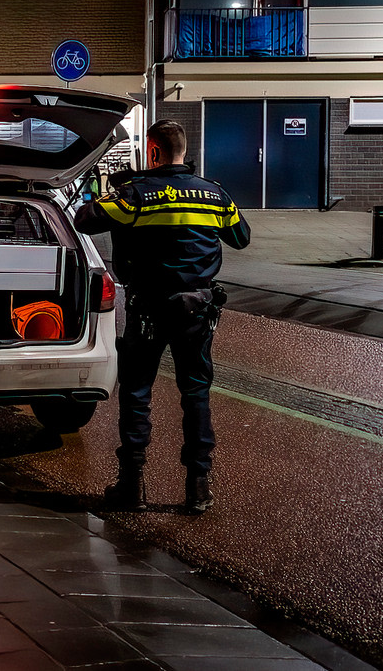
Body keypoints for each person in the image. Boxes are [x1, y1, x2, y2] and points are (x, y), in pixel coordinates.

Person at [74, 119, 250, 514]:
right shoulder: (215, 195)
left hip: (148, 311)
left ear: (152, 151)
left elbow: (84, 219)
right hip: (197, 311)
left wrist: (109, 192)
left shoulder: (135, 195)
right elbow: (241, 237)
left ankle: (132, 485)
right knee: (196, 395)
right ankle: (198, 486)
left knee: (137, 393)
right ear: (183, 152)